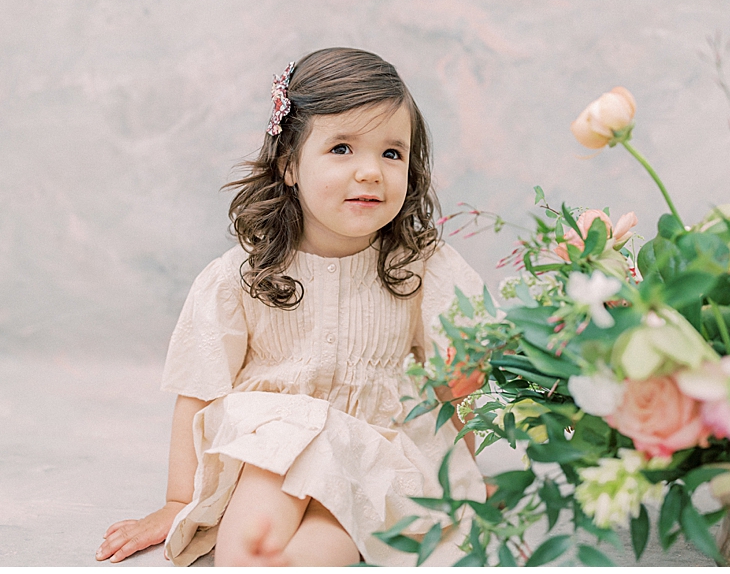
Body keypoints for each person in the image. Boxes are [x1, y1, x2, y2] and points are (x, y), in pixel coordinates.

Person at [96, 48, 487, 566]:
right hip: (274, 447)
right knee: (248, 553)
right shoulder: (242, 275)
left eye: (392, 153)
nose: (371, 172)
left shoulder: (421, 268)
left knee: (306, 558)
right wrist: (175, 502)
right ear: (289, 166)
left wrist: (457, 472)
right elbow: (198, 388)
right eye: (343, 148)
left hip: (376, 451)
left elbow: (464, 383)